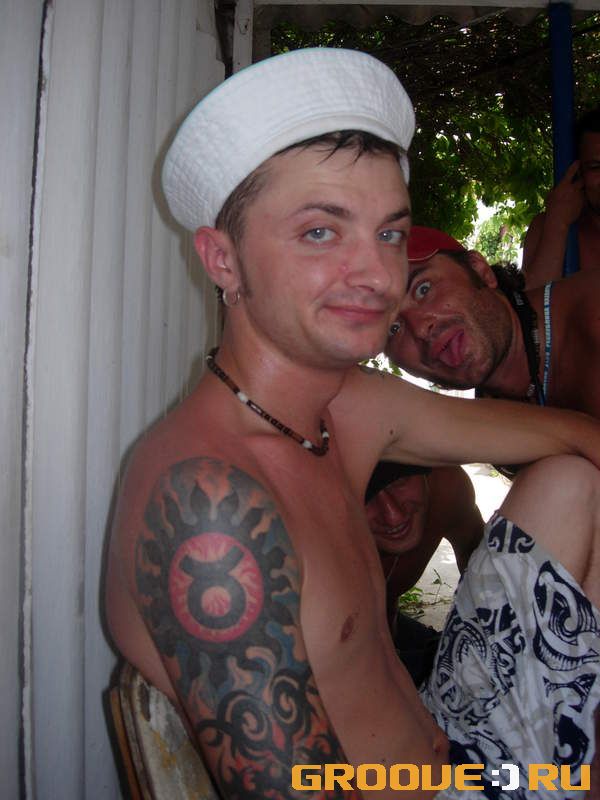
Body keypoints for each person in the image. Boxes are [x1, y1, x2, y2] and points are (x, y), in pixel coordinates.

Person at [105, 48, 600, 799]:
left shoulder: (351, 404)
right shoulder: (208, 504)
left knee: (570, 483)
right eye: (320, 232)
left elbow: (576, 436)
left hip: (455, 733)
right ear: (223, 260)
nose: (377, 277)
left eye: (388, 234)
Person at [387, 225, 600, 421]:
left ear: (479, 271)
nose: (419, 328)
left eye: (423, 289)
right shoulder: (487, 426)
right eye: (391, 328)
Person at [365, 462, 483, 686]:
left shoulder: (447, 488)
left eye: (400, 481)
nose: (393, 515)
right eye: (364, 496)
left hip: (391, 634)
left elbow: (486, 572)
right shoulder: (309, 546)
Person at [522, 108, 600, 288]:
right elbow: (535, 300)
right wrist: (557, 223)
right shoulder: (549, 226)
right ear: (578, 172)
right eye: (596, 167)